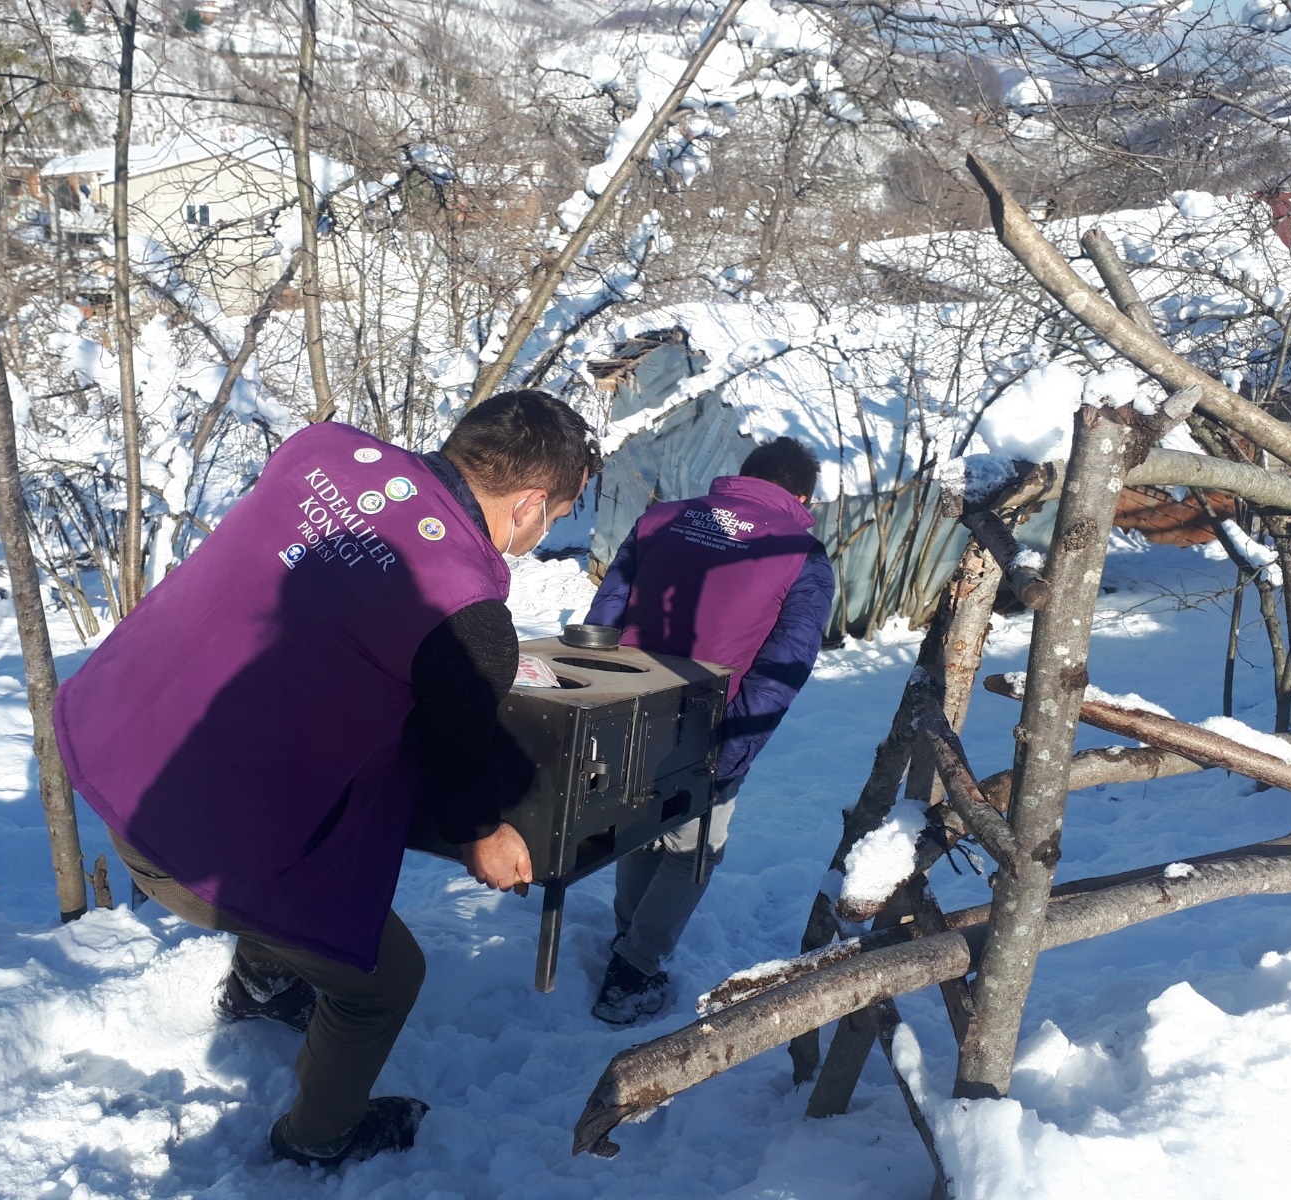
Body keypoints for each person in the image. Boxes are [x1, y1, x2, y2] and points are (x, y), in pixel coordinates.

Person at [53, 391, 601, 1167]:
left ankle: (263, 983)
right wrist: (488, 833)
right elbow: (464, 786)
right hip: (183, 839)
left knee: (322, 841)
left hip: (112, 736)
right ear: (530, 505)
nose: (544, 534)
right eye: (556, 517)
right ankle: (316, 1138)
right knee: (386, 980)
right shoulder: (469, 620)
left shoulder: (321, 451)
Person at [583, 436, 834, 1024]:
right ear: (801, 497)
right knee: (692, 849)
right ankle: (633, 972)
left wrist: (594, 699)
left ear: (744, 475)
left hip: (628, 704)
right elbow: (783, 666)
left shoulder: (661, 519)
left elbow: (607, 610)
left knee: (638, 823)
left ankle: (628, 938)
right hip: (710, 721)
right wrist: (735, 748)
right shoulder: (800, 553)